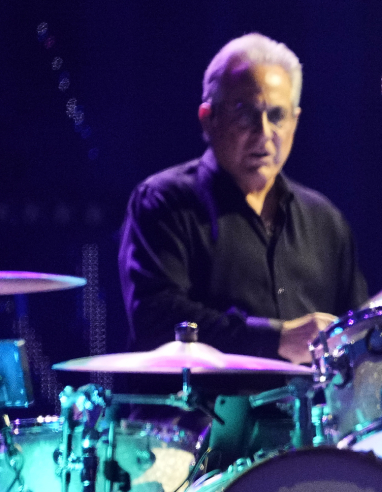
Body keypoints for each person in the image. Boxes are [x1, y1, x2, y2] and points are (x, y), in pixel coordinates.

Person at [119, 33, 368, 364]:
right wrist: (275, 338)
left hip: (304, 413)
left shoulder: (325, 220)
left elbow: (357, 330)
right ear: (208, 119)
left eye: (277, 115)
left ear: (295, 121)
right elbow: (157, 317)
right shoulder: (163, 202)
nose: (264, 132)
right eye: (245, 113)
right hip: (195, 412)